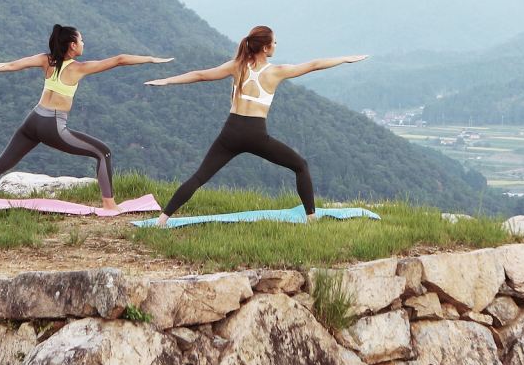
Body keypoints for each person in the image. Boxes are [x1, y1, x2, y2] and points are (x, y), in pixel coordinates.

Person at [145, 25, 365, 223]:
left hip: (230, 133)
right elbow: (314, 65)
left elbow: (201, 74)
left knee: (199, 177)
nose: (276, 46)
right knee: (301, 165)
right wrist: (344, 58)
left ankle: (162, 221)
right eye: (275, 42)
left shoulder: (237, 66)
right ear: (266, 48)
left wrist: (167, 80)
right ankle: (311, 219)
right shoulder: (276, 72)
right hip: (256, 135)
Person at [0, 24, 172, 212]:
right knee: (103, 152)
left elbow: (11, 65)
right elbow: (120, 59)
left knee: (1, 163)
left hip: (33, 120)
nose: (84, 43)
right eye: (81, 40)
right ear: (73, 45)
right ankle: (110, 206)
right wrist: (152, 59)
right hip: (52, 126)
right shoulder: (79, 68)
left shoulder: (45, 60)